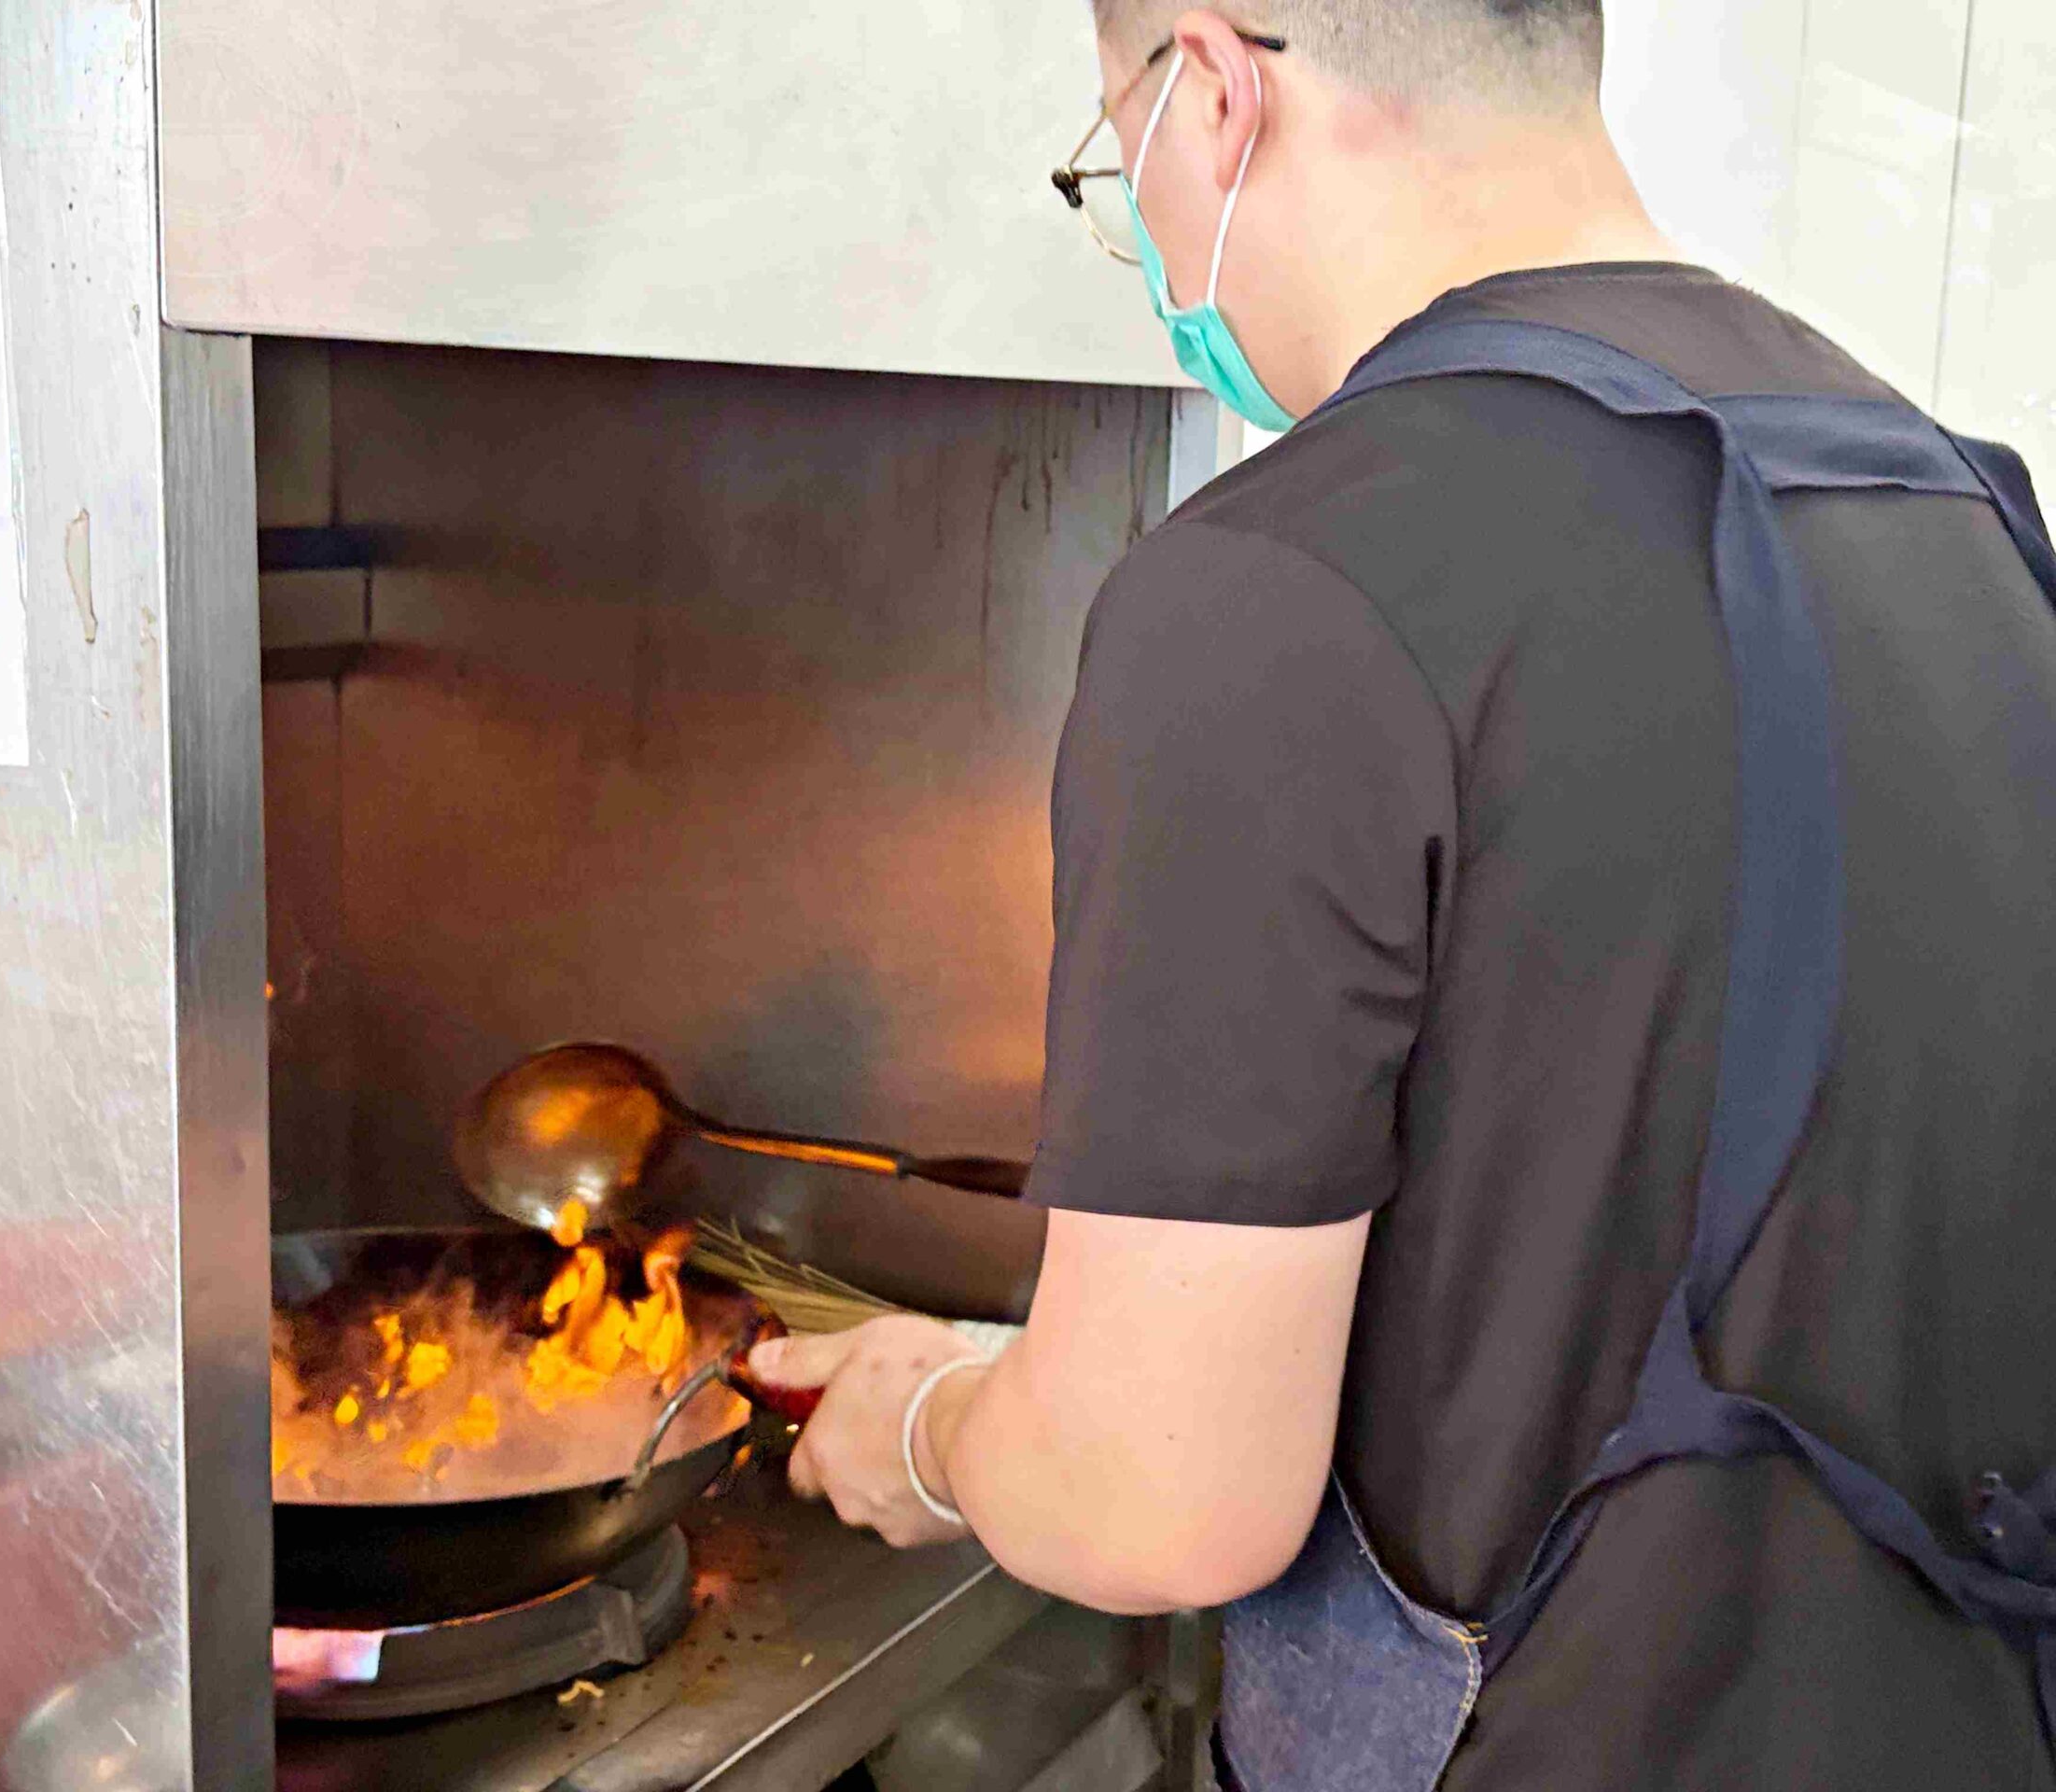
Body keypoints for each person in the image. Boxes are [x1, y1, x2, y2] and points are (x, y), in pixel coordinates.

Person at [747, 3, 2056, 1786]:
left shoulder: (1282, 586)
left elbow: (1158, 1504)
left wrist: (935, 1431)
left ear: (1210, 85)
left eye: (1108, 165)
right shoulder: (1956, 509)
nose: (1135, 226)